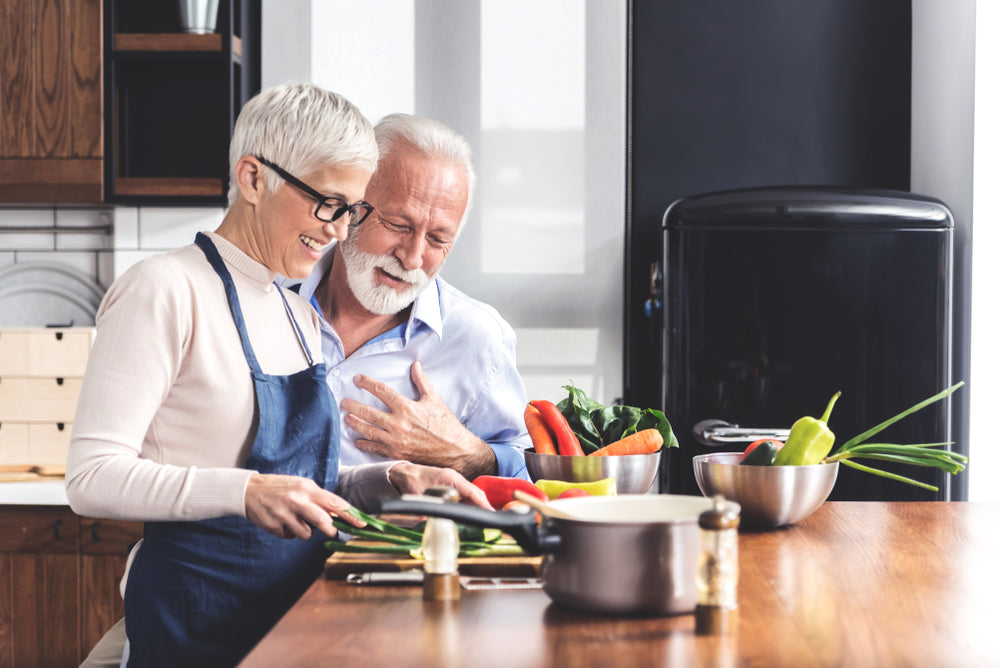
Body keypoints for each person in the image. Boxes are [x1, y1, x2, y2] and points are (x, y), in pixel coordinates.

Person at [66, 82, 489, 668]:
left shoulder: (293, 309)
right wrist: (245, 492)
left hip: (292, 620)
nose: (339, 231)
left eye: (350, 210)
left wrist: (390, 478)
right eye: (328, 203)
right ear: (252, 178)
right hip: (194, 619)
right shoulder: (163, 289)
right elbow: (91, 479)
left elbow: (294, 482)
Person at [290, 113, 532, 481]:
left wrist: (464, 453)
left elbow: (527, 477)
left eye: (437, 239)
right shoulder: (270, 297)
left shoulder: (476, 337)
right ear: (352, 204)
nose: (413, 257)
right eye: (399, 225)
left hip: (401, 540)